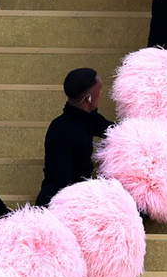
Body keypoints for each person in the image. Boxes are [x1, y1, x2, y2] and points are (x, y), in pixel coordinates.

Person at [35, 67, 113, 206]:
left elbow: (113, 130)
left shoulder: (88, 119)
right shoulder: (61, 129)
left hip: (77, 197)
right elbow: (61, 179)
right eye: (99, 91)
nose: (101, 95)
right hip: (60, 202)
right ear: (88, 98)